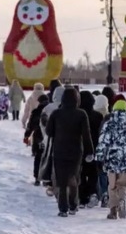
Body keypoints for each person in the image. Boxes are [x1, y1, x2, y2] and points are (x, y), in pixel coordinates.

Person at [45, 87, 93, 217]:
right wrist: (90, 151)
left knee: (61, 181)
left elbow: (49, 132)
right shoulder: (81, 114)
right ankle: (73, 205)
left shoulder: (56, 113)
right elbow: (86, 135)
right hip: (76, 150)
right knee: (74, 178)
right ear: (76, 99)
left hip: (59, 150)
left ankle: (63, 209)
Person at [96, 98, 126, 220]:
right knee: (123, 184)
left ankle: (113, 211)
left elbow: (103, 141)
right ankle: (122, 200)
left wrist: (100, 156)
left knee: (112, 185)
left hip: (112, 160)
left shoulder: (109, 123)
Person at [78, 91, 104, 208]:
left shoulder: (78, 115)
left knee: (81, 173)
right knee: (93, 172)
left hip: (80, 148)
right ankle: (92, 192)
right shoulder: (98, 116)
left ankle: (82, 197)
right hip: (95, 147)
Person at [39, 84, 64, 193]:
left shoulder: (47, 108)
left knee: (49, 159)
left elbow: (42, 123)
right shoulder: (68, 107)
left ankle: (49, 182)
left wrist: (45, 135)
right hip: (64, 139)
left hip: (49, 138)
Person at [24, 94, 50, 186]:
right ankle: (46, 179)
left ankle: (37, 178)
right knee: (47, 157)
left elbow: (30, 125)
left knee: (38, 157)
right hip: (49, 138)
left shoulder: (36, 111)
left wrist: (26, 135)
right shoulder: (51, 111)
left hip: (38, 137)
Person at [93, 93, 111, 206]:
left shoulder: (92, 115)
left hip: (95, 147)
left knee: (97, 171)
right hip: (108, 149)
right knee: (105, 172)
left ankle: (98, 192)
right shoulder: (109, 116)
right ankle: (106, 193)